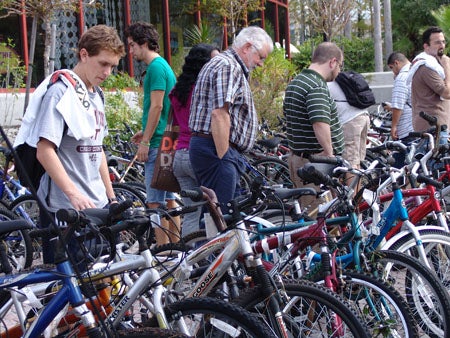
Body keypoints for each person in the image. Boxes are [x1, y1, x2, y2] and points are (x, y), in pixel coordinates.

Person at [13, 25, 125, 264]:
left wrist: (111, 196)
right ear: (84, 55)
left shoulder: (97, 95)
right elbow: (45, 150)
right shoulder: (61, 92)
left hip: (96, 205)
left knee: (100, 285)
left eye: (112, 66)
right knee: (68, 287)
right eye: (103, 64)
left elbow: (98, 149)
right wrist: (73, 194)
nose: (107, 72)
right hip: (64, 209)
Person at [189, 26, 273, 209]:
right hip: (215, 148)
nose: (260, 63)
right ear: (247, 47)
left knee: (221, 216)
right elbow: (219, 113)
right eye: (260, 56)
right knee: (221, 218)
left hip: (211, 147)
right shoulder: (228, 66)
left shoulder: (225, 64)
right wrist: (225, 157)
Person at [125, 22, 179, 245]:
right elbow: (162, 108)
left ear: (143, 43)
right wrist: (144, 130)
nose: (130, 51)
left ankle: (163, 252)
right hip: (167, 137)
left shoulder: (156, 68)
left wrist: (146, 141)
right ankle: (175, 248)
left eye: (132, 45)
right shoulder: (163, 66)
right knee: (168, 200)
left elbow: (157, 106)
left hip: (158, 142)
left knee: (154, 204)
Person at [283, 42, 344, 214]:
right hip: (314, 164)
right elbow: (319, 122)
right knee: (319, 219)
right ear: (332, 62)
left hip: (299, 157)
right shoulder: (316, 85)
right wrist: (329, 154)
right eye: (340, 65)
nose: (339, 71)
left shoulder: (297, 82)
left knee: (308, 212)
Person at [169, 44, 220, 236]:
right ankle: (211, 258)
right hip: (198, 154)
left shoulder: (177, 90)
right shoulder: (202, 90)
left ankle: (189, 256)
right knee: (212, 209)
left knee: (191, 213)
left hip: (179, 155)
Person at [408, 26, 450, 143]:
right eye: (437, 43)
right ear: (426, 46)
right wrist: (447, 66)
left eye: (443, 41)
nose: (442, 46)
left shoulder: (436, 64)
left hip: (440, 127)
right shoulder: (426, 67)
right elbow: (447, 93)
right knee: (437, 162)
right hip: (432, 129)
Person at [328, 75, 370, 186]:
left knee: (350, 164)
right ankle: (358, 196)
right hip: (364, 117)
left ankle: (352, 200)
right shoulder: (344, 84)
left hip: (350, 122)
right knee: (357, 162)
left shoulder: (327, 86)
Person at [385, 52, 414, 168]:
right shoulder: (415, 72)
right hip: (418, 124)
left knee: (399, 166)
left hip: (407, 128)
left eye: (392, 68)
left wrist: (394, 126)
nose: (393, 72)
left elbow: (398, 105)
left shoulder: (402, 77)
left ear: (396, 63)